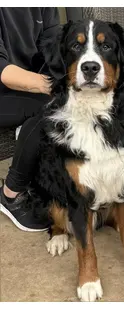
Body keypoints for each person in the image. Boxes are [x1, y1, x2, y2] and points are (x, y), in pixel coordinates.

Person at [0, 8, 60, 231]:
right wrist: (59, 86)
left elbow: (54, 44)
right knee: (52, 108)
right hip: (4, 85)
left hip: (23, 88)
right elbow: (3, 71)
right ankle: (10, 193)